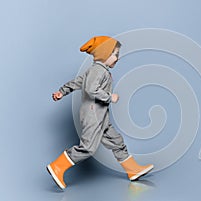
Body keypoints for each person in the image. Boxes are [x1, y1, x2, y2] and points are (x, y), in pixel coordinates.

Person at [47, 36, 154, 190]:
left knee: (116, 141)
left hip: (101, 115)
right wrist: (110, 97)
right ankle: (57, 167)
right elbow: (91, 89)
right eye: (115, 54)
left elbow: (78, 82)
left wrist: (62, 92)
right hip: (93, 115)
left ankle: (133, 170)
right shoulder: (98, 70)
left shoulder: (96, 70)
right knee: (88, 147)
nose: (118, 57)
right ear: (104, 54)